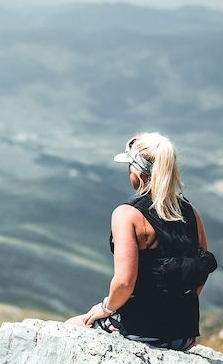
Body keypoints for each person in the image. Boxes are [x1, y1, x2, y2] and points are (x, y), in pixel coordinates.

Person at [65, 132, 214, 349]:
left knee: (71, 327)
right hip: (184, 336)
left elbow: (124, 282)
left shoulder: (127, 215)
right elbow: (201, 270)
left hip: (139, 331)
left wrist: (105, 308)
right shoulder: (192, 214)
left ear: (137, 171)